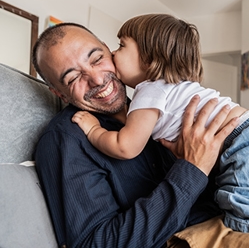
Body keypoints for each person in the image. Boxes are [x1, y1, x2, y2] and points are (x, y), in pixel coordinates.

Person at [32, 22, 237, 248]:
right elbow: (95, 244)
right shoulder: (65, 140)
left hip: (226, 220)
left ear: (109, 51)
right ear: (59, 93)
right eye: (73, 78)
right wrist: (191, 170)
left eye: (97, 59)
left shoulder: (158, 111)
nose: (98, 80)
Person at [72, 14, 249, 233]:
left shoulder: (149, 90)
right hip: (241, 134)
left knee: (240, 219)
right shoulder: (169, 87)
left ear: (148, 58)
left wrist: (93, 130)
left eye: (121, 45)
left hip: (239, 142)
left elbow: (125, 146)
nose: (114, 53)